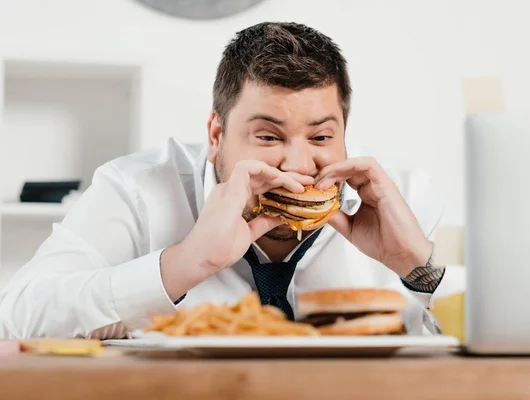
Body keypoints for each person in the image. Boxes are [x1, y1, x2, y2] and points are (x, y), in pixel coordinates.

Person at [0, 22, 461, 339]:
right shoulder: (137, 189)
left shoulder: (402, 197)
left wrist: (417, 267)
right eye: (267, 135)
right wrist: (183, 264)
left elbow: (509, 340)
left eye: (321, 135)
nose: (299, 165)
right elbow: (18, 318)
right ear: (216, 135)